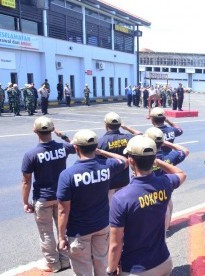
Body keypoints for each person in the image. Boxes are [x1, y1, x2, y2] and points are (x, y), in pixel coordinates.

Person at [106, 136, 187, 276]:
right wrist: (158, 161)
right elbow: (181, 173)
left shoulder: (121, 198)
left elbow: (115, 244)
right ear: (154, 158)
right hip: (164, 261)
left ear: (131, 160)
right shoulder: (165, 183)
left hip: (136, 269)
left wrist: (111, 270)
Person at [57, 129, 128, 275]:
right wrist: (102, 153)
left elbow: (63, 210)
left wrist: (61, 237)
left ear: (76, 148)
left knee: (83, 269)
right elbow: (124, 160)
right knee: (102, 264)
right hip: (102, 226)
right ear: (95, 147)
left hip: (79, 231)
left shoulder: (67, 175)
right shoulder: (106, 167)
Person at [21, 117, 75, 272]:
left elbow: (26, 181)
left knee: (46, 233)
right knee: (62, 229)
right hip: (62, 197)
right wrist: (62, 136)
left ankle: (53, 263)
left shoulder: (31, 154)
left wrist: (25, 202)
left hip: (43, 198)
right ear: (52, 130)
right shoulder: (62, 147)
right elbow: (76, 145)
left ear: (35, 131)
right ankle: (65, 260)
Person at [145, 127, 189, 229]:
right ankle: (166, 225)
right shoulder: (170, 156)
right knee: (168, 203)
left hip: (150, 191)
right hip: (166, 187)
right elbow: (185, 151)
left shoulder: (145, 159)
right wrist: (167, 143)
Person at [98, 112, 142, 201]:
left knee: (110, 211)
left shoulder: (100, 142)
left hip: (109, 183)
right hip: (124, 181)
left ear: (106, 125)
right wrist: (126, 127)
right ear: (119, 125)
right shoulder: (128, 138)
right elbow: (140, 135)